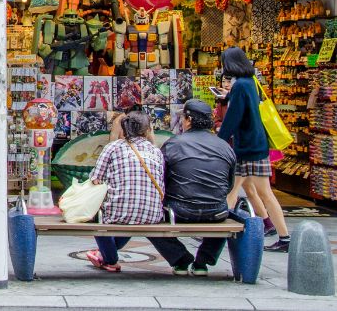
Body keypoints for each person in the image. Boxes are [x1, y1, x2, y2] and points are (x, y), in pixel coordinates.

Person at [148, 99, 236, 276]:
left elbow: (160, 179)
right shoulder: (225, 146)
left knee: (148, 216)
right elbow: (229, 185)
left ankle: (180, 259)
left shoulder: (173, 144)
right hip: (216, 212)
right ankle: (202, 261)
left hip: (178, 211)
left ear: (188, 119)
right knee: (224, 212)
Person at [216, 46, 291, 252]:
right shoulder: (251, 82)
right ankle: (283, 236)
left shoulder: (240, 85)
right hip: (256, 145)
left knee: (236, 191)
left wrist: (219, 140)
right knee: (256, 192)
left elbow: (234, 117)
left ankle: (215, 235)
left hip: (246, 147)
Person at [86, 110, 165, 272]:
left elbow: (95, 179)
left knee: (95, 214)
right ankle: (105, 254)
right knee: (132, 212)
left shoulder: (113, 147)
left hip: (120, 213)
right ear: (147, 129)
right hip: (152, 214)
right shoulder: (156, 151)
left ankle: (110, 259)